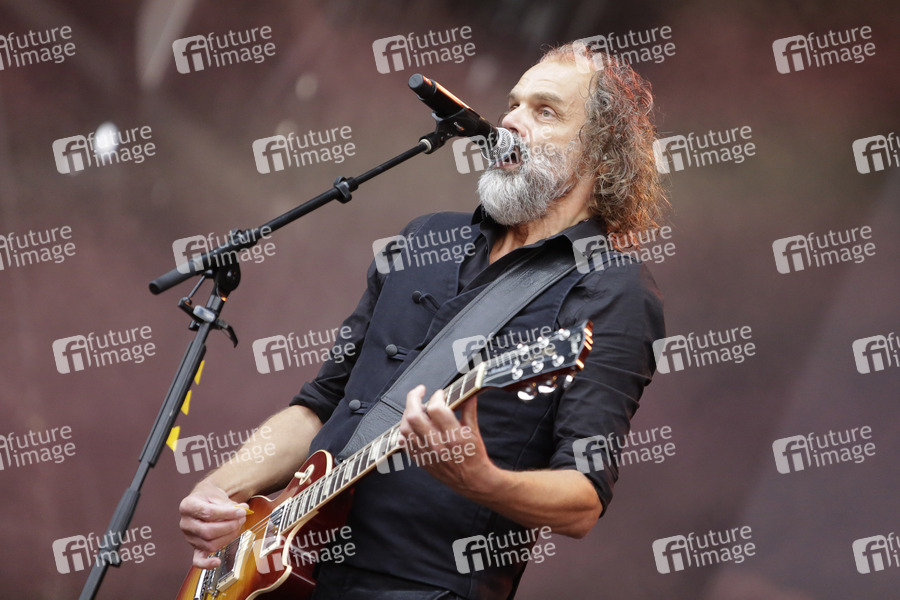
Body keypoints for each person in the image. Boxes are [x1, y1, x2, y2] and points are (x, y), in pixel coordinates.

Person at [179, 41, 668, 599]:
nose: (510, 121)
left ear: (601, 154)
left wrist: (482, 480)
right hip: (295, 572)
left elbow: (582, 500)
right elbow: (320, 406)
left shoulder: (611, 287)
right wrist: (221, 489)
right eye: (513, 104)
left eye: (545, 111)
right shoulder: (426, 238)